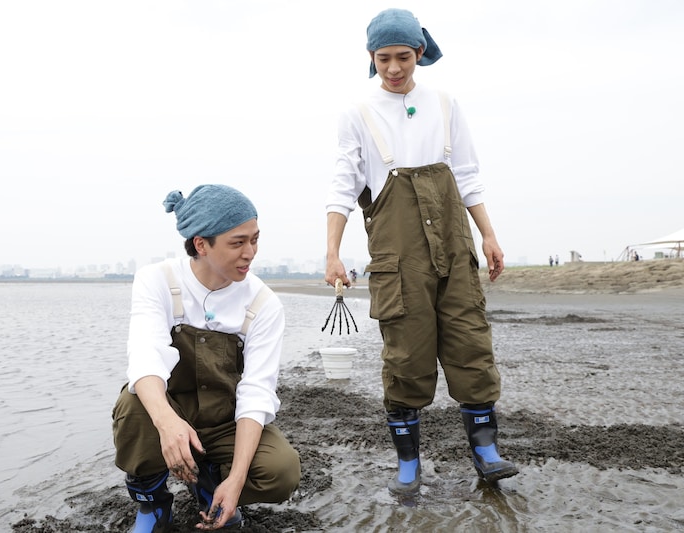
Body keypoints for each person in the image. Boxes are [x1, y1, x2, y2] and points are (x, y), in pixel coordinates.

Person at [324, 8, 518, 495]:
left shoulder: (446, 104)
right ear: (371, 58)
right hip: (397, 260)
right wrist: (332, 252)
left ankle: (486, 452)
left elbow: (469, 176)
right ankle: (408, 464)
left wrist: (488, 236)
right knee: (406, 358)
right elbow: (342, 187)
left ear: (421, 53)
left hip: (455, 249)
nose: (394, 68)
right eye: (384, 58)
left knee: (471, 345)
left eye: (404, 57)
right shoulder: (357, 112)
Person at [112, 184, 301, 531]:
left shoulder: (263, 303)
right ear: (201, 244)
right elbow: (145, 358)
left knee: (282, 471)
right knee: (134, 402)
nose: (250, 252)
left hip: (225, 420)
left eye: (255, 239)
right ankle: (153, 506)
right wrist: (168, 426)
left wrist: (238, 479)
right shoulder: (158, 280)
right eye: (237, 242)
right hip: (173, 410)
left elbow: (256, 392)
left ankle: (212, 485)